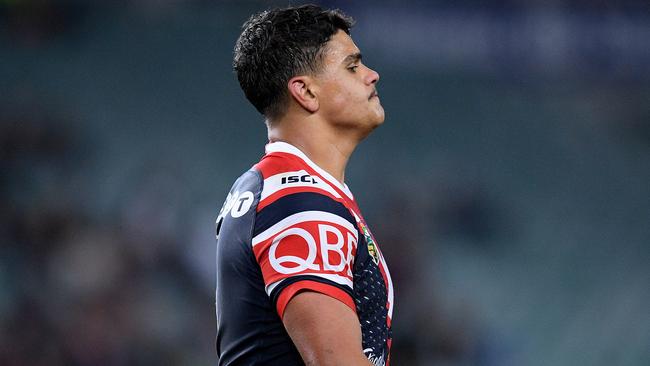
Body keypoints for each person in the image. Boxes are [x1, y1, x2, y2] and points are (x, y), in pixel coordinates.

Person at [215, 5, 394, 365]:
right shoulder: (301, 203)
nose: (372, 75)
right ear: (305, 92)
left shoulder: (275, 187)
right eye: (352, 66)